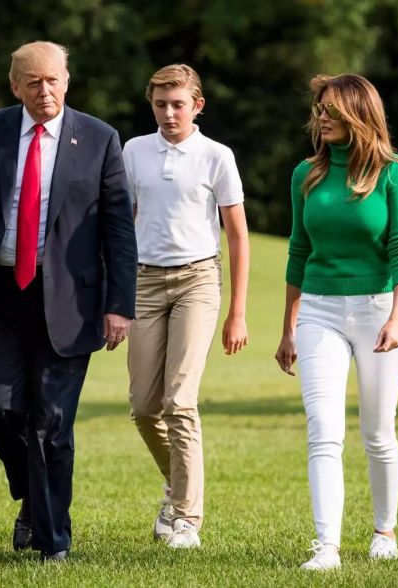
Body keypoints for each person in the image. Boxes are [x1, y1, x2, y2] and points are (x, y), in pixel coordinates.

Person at [0, 41, 137, 562]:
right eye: (34, 82)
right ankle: (32, 494)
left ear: (68, 80)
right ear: (15, 85)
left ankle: (52, 542)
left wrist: (119, 305)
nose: (46, 91)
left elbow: (118, 229)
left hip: (70, 300)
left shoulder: (101, 138)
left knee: (52, 423)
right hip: (0, 292)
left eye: (54, 80)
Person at [274, 73, 398, 571]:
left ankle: (384, 531)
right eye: (318, 109)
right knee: (323, 431)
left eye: (331, 110)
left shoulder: (394, 173)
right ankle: (327, 547)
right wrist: (288, 326)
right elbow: (299, 251)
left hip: (381, 312)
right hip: (320, 312)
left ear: (358, 113)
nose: (321, 117)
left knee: (378, 433)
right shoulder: (305, 175)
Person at [122, 64, 250, 549]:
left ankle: (187, 519)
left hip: (198, 280)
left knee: (179, 400)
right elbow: (124, 221)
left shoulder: (217, 156)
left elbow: (237, 235)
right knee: (142, 407)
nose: (169, 113)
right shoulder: (134, 151)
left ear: (198, 105)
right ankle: (177, 486)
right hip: (143, 284)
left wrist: (237, 312)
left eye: (178, 104)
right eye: (160, 104)